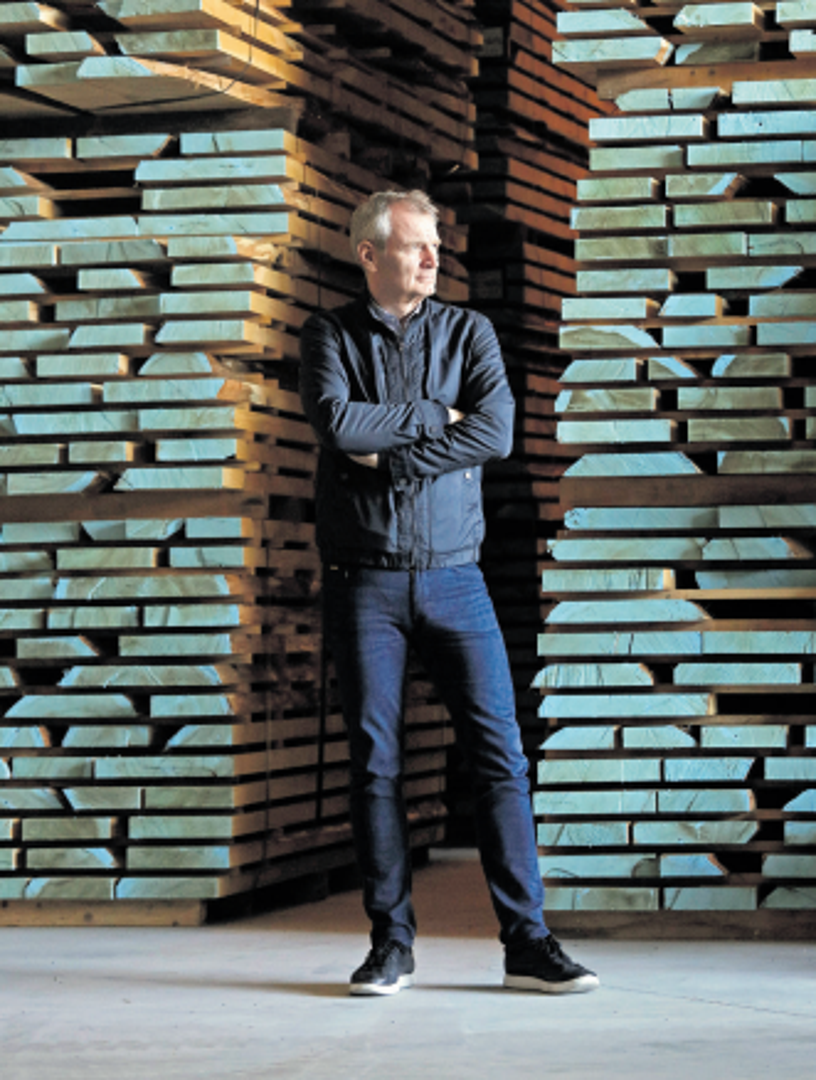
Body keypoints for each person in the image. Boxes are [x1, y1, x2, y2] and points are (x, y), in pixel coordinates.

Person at [299, 189, 598, 997]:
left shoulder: (470, 333)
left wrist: (392, 452)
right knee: (376, 765)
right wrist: (440, 415)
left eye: (436, 244)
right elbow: (338, 426)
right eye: (416, 245)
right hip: (364, 581)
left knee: (501, 755)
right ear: (370, 254)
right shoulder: (329, 334)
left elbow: (494, 432)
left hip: (457, 578)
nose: (434, 258)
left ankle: (528, 944)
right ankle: (390, 946)